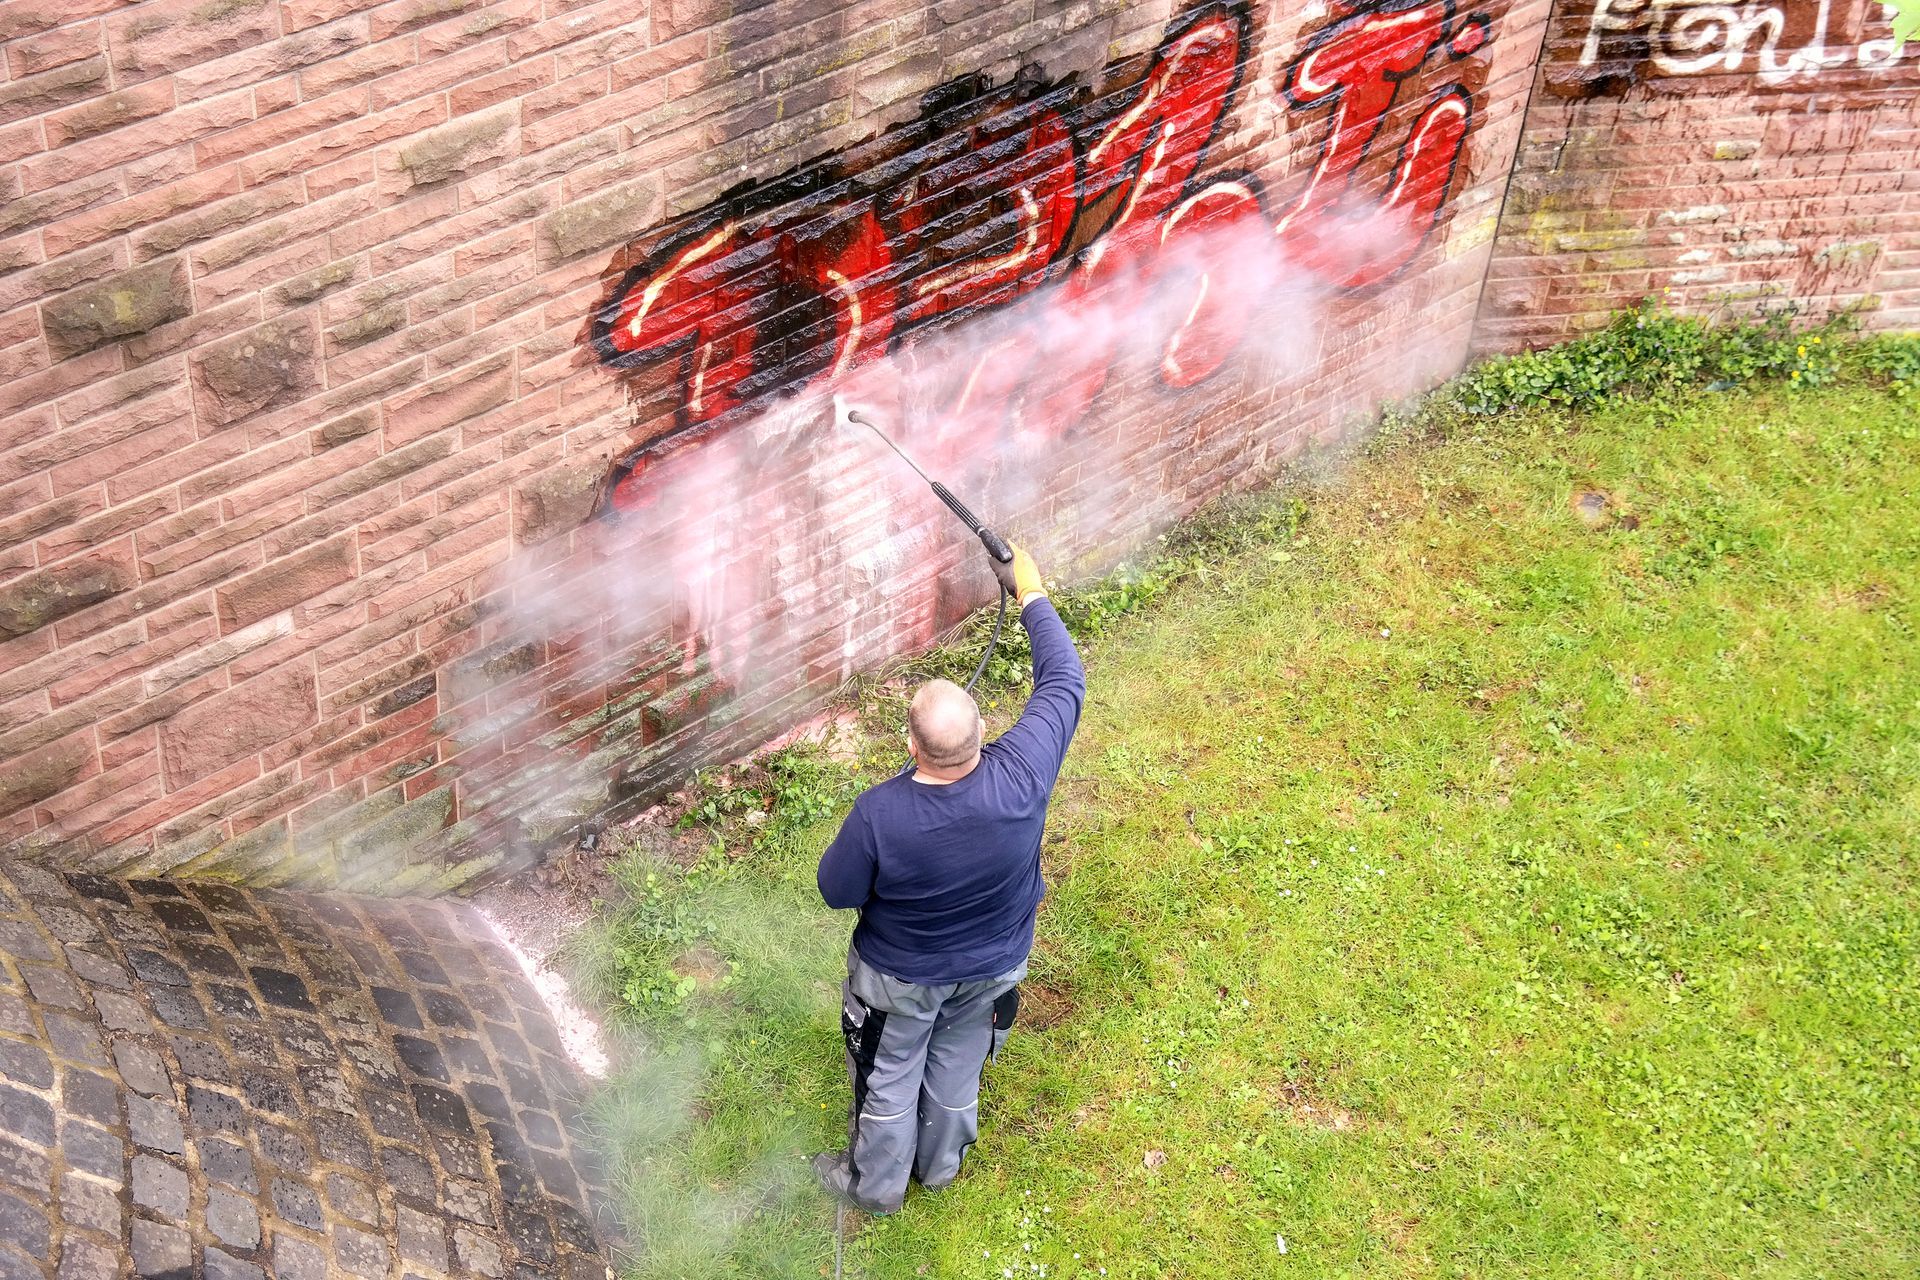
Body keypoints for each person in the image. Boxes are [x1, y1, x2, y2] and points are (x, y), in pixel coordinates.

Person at [811, 545, 1085, 1214]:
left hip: (901, 980)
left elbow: (836, 891)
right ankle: (939, 1169)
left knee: (890, 1073)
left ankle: (873, 1189)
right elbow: (1065, 679)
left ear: (910, 745)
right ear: (984, 731)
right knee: (958, 1061)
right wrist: (1031, 591)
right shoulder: (1024, 769)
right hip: (995, 965)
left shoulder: (882, 814)